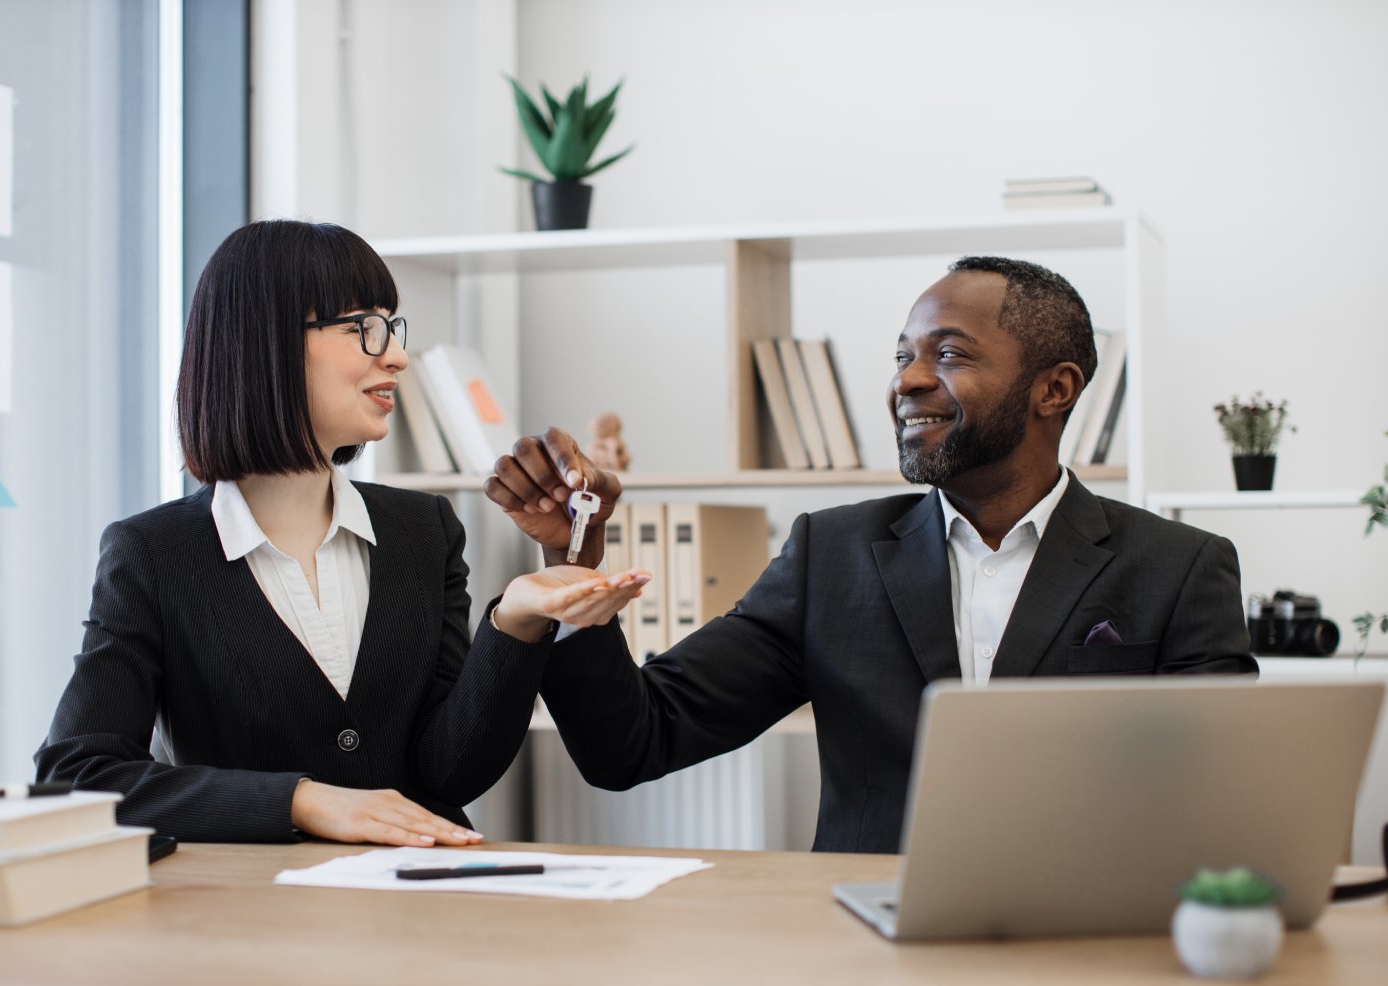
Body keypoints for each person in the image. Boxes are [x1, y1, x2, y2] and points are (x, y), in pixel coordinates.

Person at [485, 256, 1258, 854]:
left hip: (1092, 955)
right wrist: (574, 562)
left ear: (1053, 389)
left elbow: (1231, 800)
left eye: (948, 355)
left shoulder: (1180, 568)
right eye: (901, 357)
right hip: (869, 957)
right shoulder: (833, 555)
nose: (907, 382)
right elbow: (635, 741)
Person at [37, 220, 646, 845]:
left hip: (415, 902)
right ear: (263, 340)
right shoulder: (153, 555)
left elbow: (448, 772)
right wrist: (298, 801)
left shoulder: (423, 530)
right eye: (364, 327)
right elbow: (79, 777)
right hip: (247, 914)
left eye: (392, 325)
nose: (397, 355)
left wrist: (514, 626)